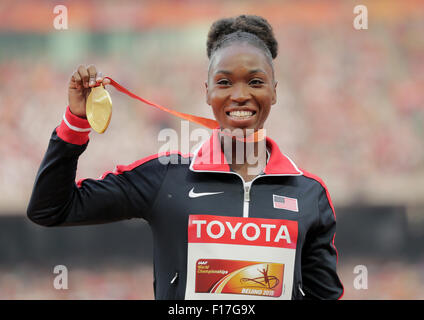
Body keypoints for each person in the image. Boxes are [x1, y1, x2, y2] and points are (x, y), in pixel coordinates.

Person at [27, 14, 343, 300]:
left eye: (255, 81)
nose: (240, 94)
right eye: (224, 82)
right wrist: (76, 121)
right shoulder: (166, 176)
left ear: (274, 91)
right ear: (207, 92)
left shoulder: (309, 195)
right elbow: (50, 209)